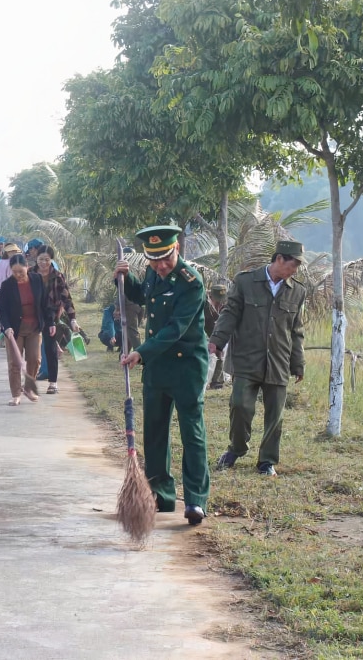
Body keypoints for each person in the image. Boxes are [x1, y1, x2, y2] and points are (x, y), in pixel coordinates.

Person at [114, 225, 209, 526]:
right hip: (157, 367)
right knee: (154, 432)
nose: (160, 265)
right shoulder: (154, 274)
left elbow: (175, 329)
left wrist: (141, 352)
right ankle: (160, 495)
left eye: (165, 258)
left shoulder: (192, 283)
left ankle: (195, 499)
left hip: (186, 367)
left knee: (191, 433)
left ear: (177, 249)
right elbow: (142, 295)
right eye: (154, 260)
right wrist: (125, 277)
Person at [208, 240, 307, 478]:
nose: (295, 271)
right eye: (293, 265)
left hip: (279, 361)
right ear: (279, 259)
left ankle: (266, 462)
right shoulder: (245, 282)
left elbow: (296, 330)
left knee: (275, 415)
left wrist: (298, 363)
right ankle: (236, 449)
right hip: (247, 358)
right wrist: (217, 340)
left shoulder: (298, 291)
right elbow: (230, 313)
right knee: (240, 405)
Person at [0, 254, 50, 406]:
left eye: (21, 271)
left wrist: (50, 322)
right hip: (14, 330)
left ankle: (28, 389)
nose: (18, 275)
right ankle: (15, 394)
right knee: (15, 362)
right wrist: (6, 327)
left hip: (34, 327)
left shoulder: (37, 280)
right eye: (14, 272)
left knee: (35, 359)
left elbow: (45, 303)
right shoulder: (7, 285)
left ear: (27, 266)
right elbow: (1, 309)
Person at [35, 245, 79, 395]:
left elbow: (66, 298)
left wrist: (72, 319)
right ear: (36, 258)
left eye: (47, 260)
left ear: (51, 260)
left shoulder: (57, 276)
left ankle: (53, 382)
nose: (43, 263)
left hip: (51, 318)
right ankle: (28, 380)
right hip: (32, 315)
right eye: (41, 259)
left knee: (50, 348)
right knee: (31, 350)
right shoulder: (30, 274)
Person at [204, 284, 229, 389]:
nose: (220, 302)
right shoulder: (204, 304)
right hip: (203, 332)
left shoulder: (224, 305)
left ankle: (217, 381)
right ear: (211, 295)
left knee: (220, 353)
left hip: (216, 332)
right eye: (217, 299)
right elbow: (205, 322)